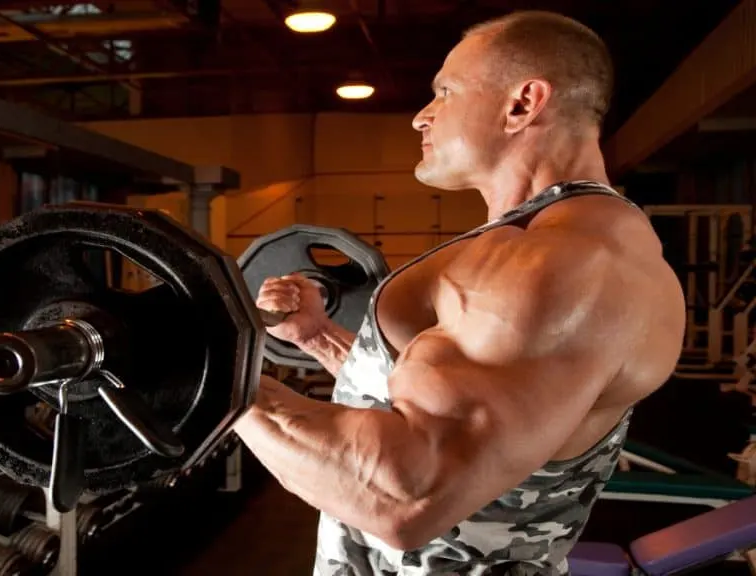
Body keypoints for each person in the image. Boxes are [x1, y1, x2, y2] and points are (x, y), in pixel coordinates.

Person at [232, 10, 686, 576]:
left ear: (522, 103)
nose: (421, 117)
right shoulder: (541, 246)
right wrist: (320, 337)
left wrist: (212, 374)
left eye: (444, 91)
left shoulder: (562, 262)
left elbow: (405, 496)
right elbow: (437, 400)